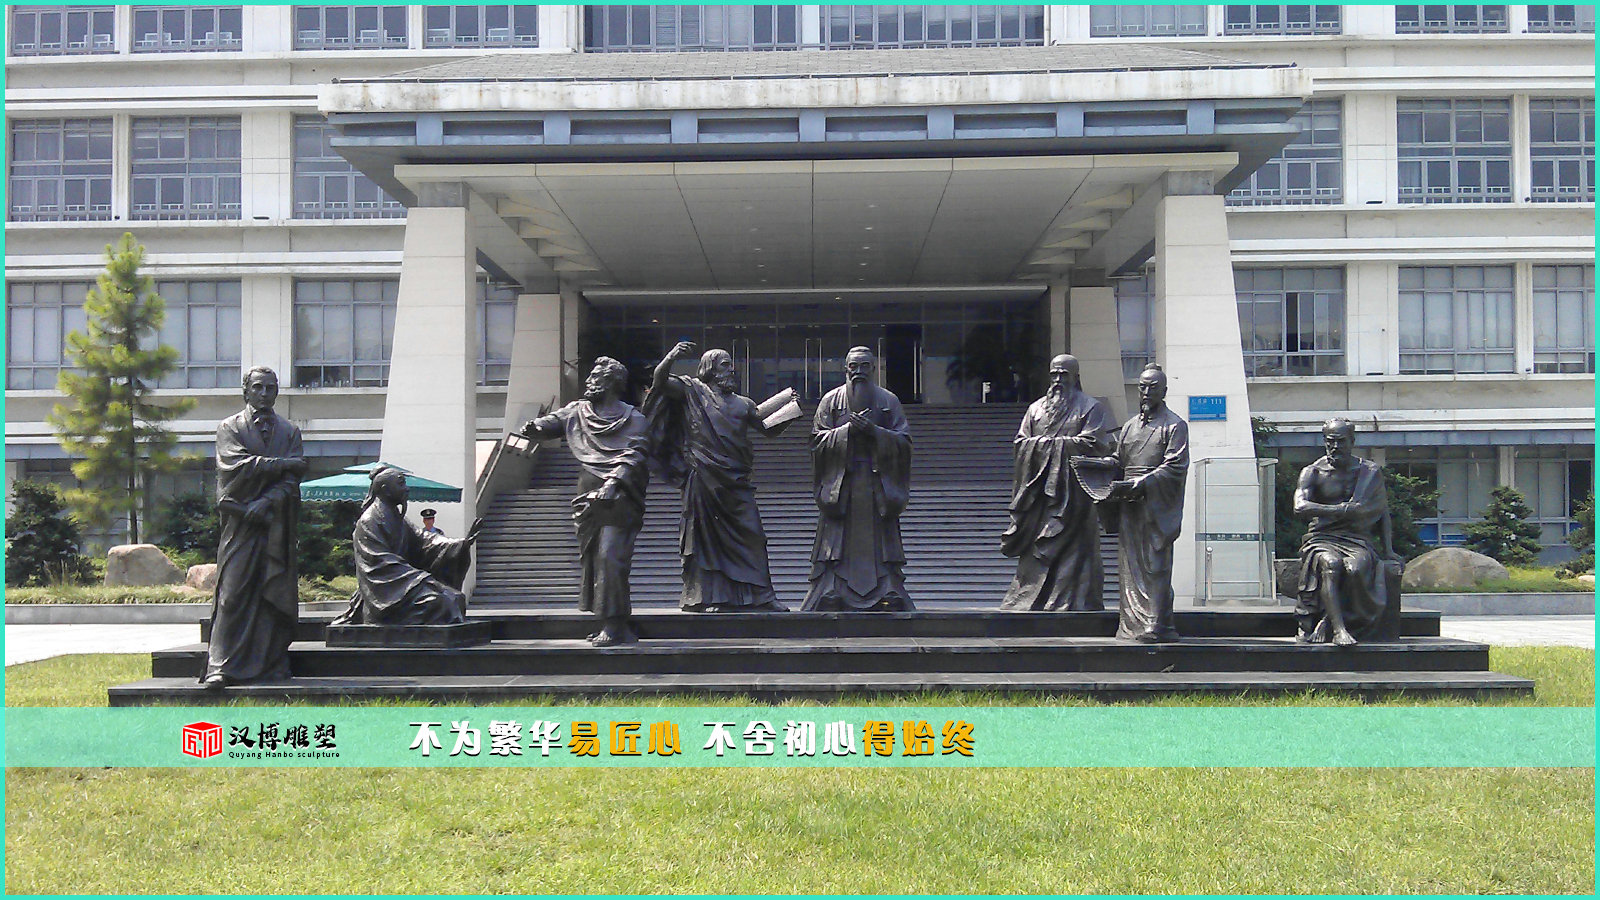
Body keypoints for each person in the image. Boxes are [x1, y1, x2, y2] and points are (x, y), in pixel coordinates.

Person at [645, 341, 788, 612]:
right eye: (725, 364)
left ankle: (763, 595)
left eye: (731, 365)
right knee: (706, 540)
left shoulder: (745, 404)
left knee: (754, 536)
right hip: (704, 478)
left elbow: (767, 429)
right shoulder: (692, 391)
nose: (731, 369)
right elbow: (660, 382)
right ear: (709, 368)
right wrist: (672, 356)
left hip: (736, 482)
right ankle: (710, 597)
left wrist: (790, 411)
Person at [520, 357, 650, 645]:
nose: (589, 382)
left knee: (610, 557)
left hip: (620, 498)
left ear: (612, 383)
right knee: (593, 560)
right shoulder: (578, 411)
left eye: (595, 377)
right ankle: (608, 621)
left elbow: (635, 454)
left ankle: (615, 625)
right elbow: (553, 422)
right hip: (586, 499)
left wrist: (613, 483)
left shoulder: (635, 419)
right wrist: (535, 427)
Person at [205, 366, 307, 689]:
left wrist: (267, 501)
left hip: (275, 525)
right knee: (232, 593)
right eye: (258, 387)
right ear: (246, 391)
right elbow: (236, 466)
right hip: (239, 525)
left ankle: (270, 662)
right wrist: (283, 464)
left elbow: (292, 482)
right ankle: (219, 666)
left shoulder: (289, 432)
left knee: (270, 595)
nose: (264, 394)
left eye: (270, 388)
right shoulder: (230, 428)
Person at [999, 354, 1118, 612]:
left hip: (1074, 494)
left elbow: (1095, 443)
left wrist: (1047, 446)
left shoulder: (1091, 408)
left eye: (1064, 374)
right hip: (1040, 493)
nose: (1058, 380)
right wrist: (1047, 447)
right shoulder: (1035, 409)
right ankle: (1029, 599)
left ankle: (1072, 601)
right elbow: (1021, 443)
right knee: (1036, 548)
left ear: (1076, 377)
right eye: (1054, 374)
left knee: (1075, 552)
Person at [802, 346, 914, 611]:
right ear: (846, 369)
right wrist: (847, 432)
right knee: (836, 541)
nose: (859, 371)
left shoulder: (888, 401)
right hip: (842, 483)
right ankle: (831, 588)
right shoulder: (831, 401)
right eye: (854, 366)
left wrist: (874, 431)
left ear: (874, 368)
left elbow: (904, 442)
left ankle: (887, 588)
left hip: (876, 484)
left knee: (881, 542)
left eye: (865, 366)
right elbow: (816, 441)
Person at [331, 467, 482, 627]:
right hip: (386, 592)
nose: (406, 489)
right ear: (385, 489)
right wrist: (422, 579)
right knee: (443, 602)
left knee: (455, 598)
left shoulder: (397, 518)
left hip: (404, 584)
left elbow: (423, 539)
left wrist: (459, 544)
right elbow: (380, 565)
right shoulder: (369, 521)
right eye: (401, 484)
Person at [1293, 417, 1395, 646]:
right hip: (1321, 538)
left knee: (1356, 569)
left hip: (1356, 539)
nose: (1335, 447)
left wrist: (1388, 550)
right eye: (1330, 441)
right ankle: (1340, 630)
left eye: (1341, 441)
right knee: (1331, 564)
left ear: (1352, 441)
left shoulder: (1369, 472)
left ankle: (1328, 620)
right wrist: (1342, 510)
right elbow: (1300, 507)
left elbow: (1382, 512)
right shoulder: (1313, 472)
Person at [1106, 364, 1189, 642]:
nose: (1146, 392)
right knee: (1130, 564)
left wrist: (1142, 483)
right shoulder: (1130, 426)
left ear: (1164, 391)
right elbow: (1119, 460)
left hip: (1155, 504)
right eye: (1142, 386)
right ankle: (1131, 623)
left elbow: (1175, 465)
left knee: (1156, 563)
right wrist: (1096, 464)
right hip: (1129, 503)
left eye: (1153, 387)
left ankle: (1158, 622)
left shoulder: (1175, 425)